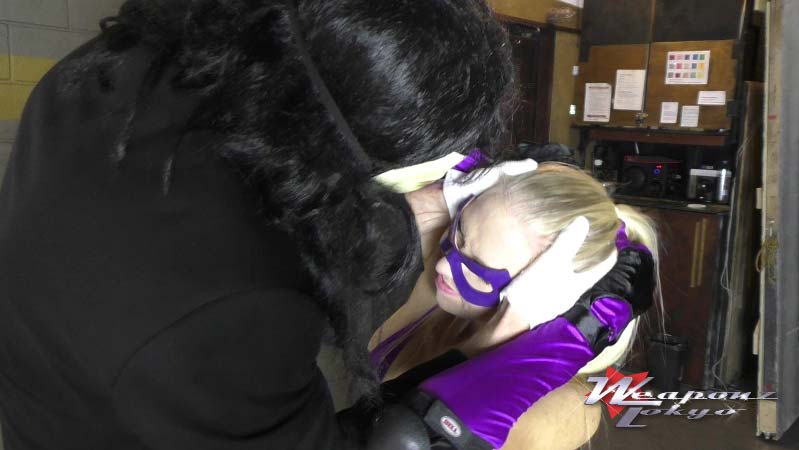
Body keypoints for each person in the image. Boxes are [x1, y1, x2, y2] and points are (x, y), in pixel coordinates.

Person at [0, 0, 653, 449]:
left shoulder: (129, 66)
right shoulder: (233, 314)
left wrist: (448, 201)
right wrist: (520, 348)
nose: (444, 259)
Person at [370, 163, 660, 449]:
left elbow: (408, 437)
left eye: (479, 269)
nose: (444, 265)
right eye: (459, 234)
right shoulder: (441, 288)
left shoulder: (568, 409)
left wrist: (531, 333)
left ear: (554, 299)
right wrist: (428, 204)